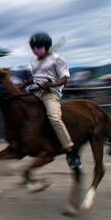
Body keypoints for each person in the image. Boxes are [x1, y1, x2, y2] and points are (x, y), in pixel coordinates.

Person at [24, 32, 80, 168]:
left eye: (38, 47)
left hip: (50, 93)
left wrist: (51, 84)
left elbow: (65, 79)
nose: (35, 50)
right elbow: (35, 77)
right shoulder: (34, 61)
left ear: (46, 46)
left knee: (54, 118)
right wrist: (26, 82)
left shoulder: (57, 59)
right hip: (35, 91)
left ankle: (70, 151)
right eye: (33, 47)